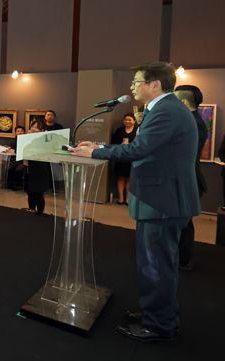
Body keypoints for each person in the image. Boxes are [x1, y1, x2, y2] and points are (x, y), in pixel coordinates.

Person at [71, 62, 200, 342]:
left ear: (155, 84)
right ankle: (157, 314)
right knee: (156, 263)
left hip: (163, 201)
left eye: (136, 82)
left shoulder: (166, 111)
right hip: (160, 199)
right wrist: (99, 147)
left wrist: (94, 153)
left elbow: (140, 149)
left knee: (157, 265)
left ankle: (160, 325)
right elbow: (145, 148)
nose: (131, 87)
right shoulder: (166, 109)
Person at [174, 84, 208, 271]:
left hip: (189, 180)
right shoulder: (192, 120)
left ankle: (183, 261)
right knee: (183, 223)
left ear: (183, 101)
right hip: (188, 179)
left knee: (183, 224)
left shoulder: (192, 122)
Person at [23, 121, 51, 215]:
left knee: (39, 194)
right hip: (29, 170)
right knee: (30, 194)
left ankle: (40, 214)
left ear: (42, 130)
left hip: (40, 171)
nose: (33, 129)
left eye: (36, 127)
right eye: (32, 127)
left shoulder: (45, 141)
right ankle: (31, 212)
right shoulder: (27, 139)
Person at [111, 114, 138, 205]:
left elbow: (140, 144)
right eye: (126, 120)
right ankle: (121, 199)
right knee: (121, 178)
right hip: (121, 157)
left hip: (132, 158)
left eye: (130, 120)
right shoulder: (119, 130)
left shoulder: (138, 131)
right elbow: (113, 143)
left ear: (134, 121)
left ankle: (128, 199)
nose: (127, 121)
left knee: (130, 178)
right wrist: (121, 144)